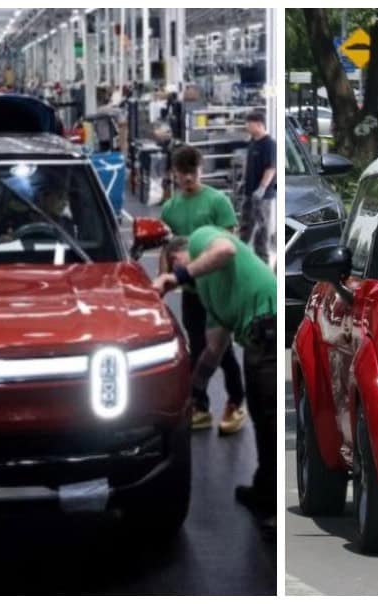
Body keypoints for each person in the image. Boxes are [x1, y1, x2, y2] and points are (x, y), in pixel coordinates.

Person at [154, 227, 276, 538]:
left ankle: (274, 509)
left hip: (269, 325)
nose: (179, 276)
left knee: (271, 419)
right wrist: (191, 390)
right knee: (262, 419)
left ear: (179, 254)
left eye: (175, 265)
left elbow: (226, 252)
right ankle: (265, 491)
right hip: (256, 340)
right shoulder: (208, 295)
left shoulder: (201, 238)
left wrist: (179, 275)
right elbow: (213, 350)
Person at [159, 145, 247, 434]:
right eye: (182, 174)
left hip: (218, 289)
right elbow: (167, 248)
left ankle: (236, 401)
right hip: (192, 292)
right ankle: (200, 404)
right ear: (175, 174)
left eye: (192, 173)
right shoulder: (170, 208)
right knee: (195, 347)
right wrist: (163, 281)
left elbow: (230, 244)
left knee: (221, 350)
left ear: (201, 171)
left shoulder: (217, 201)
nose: (188, 179)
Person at [241, 110, 276, 262]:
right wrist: (243, 182)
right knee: (246, 224)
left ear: (259, 125)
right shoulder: (253, 142)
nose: (246, 126)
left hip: (262, 196)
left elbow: (271, 168)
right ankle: (241, 254)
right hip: (249, 192)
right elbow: (248, 164)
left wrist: (262, 188)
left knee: (262, 227)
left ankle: (262, 259)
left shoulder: (269, 144)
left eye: (249, 124)